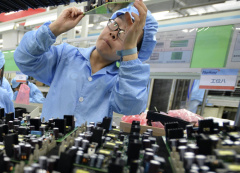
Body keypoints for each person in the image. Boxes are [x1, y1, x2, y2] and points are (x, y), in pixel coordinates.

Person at [14, 0, 158, 125]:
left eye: (125, 35)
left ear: (134, 49)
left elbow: (131, 107)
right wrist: (54, 29)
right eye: (114, 24)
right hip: (47, 143)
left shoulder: (123, 81)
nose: (113, 33)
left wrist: (129, 52)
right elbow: (24, 59)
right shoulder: (65, 56)